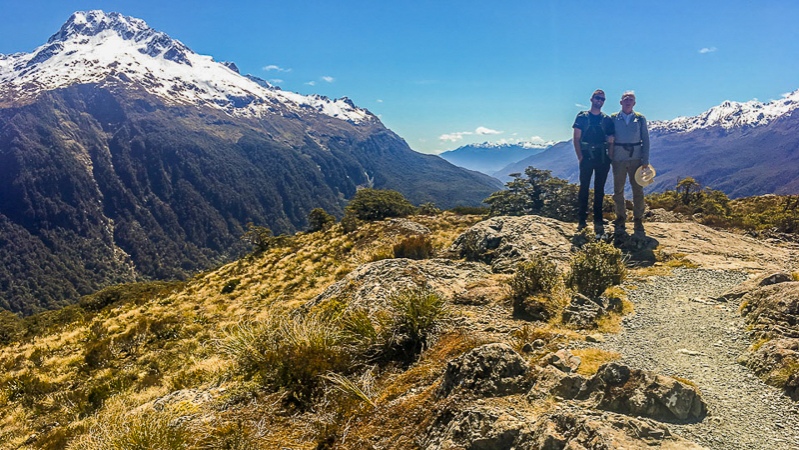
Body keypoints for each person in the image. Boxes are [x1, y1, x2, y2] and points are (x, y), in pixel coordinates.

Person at [573, 89, 615, 236]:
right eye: (597, 98)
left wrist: (610, 155)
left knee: (600, 189)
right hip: (586, 157)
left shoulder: (607, 119)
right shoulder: (582, 117)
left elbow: (611, 140)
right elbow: (576, 138)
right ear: (591, 99)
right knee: (584, 188)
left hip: (602, 158)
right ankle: (582, 219)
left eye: (602, 99)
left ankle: (598, 219)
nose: (599, 101)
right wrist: (580, 156)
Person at [609, 91, 650, 237]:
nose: (628, 101)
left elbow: (645, 139)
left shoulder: (640, 119)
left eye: (631, 99)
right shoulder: (613, 118)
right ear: (620, 102)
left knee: (637, 189)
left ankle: (638, 218)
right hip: (618, 158)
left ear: (634, 103)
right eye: (625, 99)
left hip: (636, 158)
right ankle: (620, 217)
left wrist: (645, 160)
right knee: (618, 189)